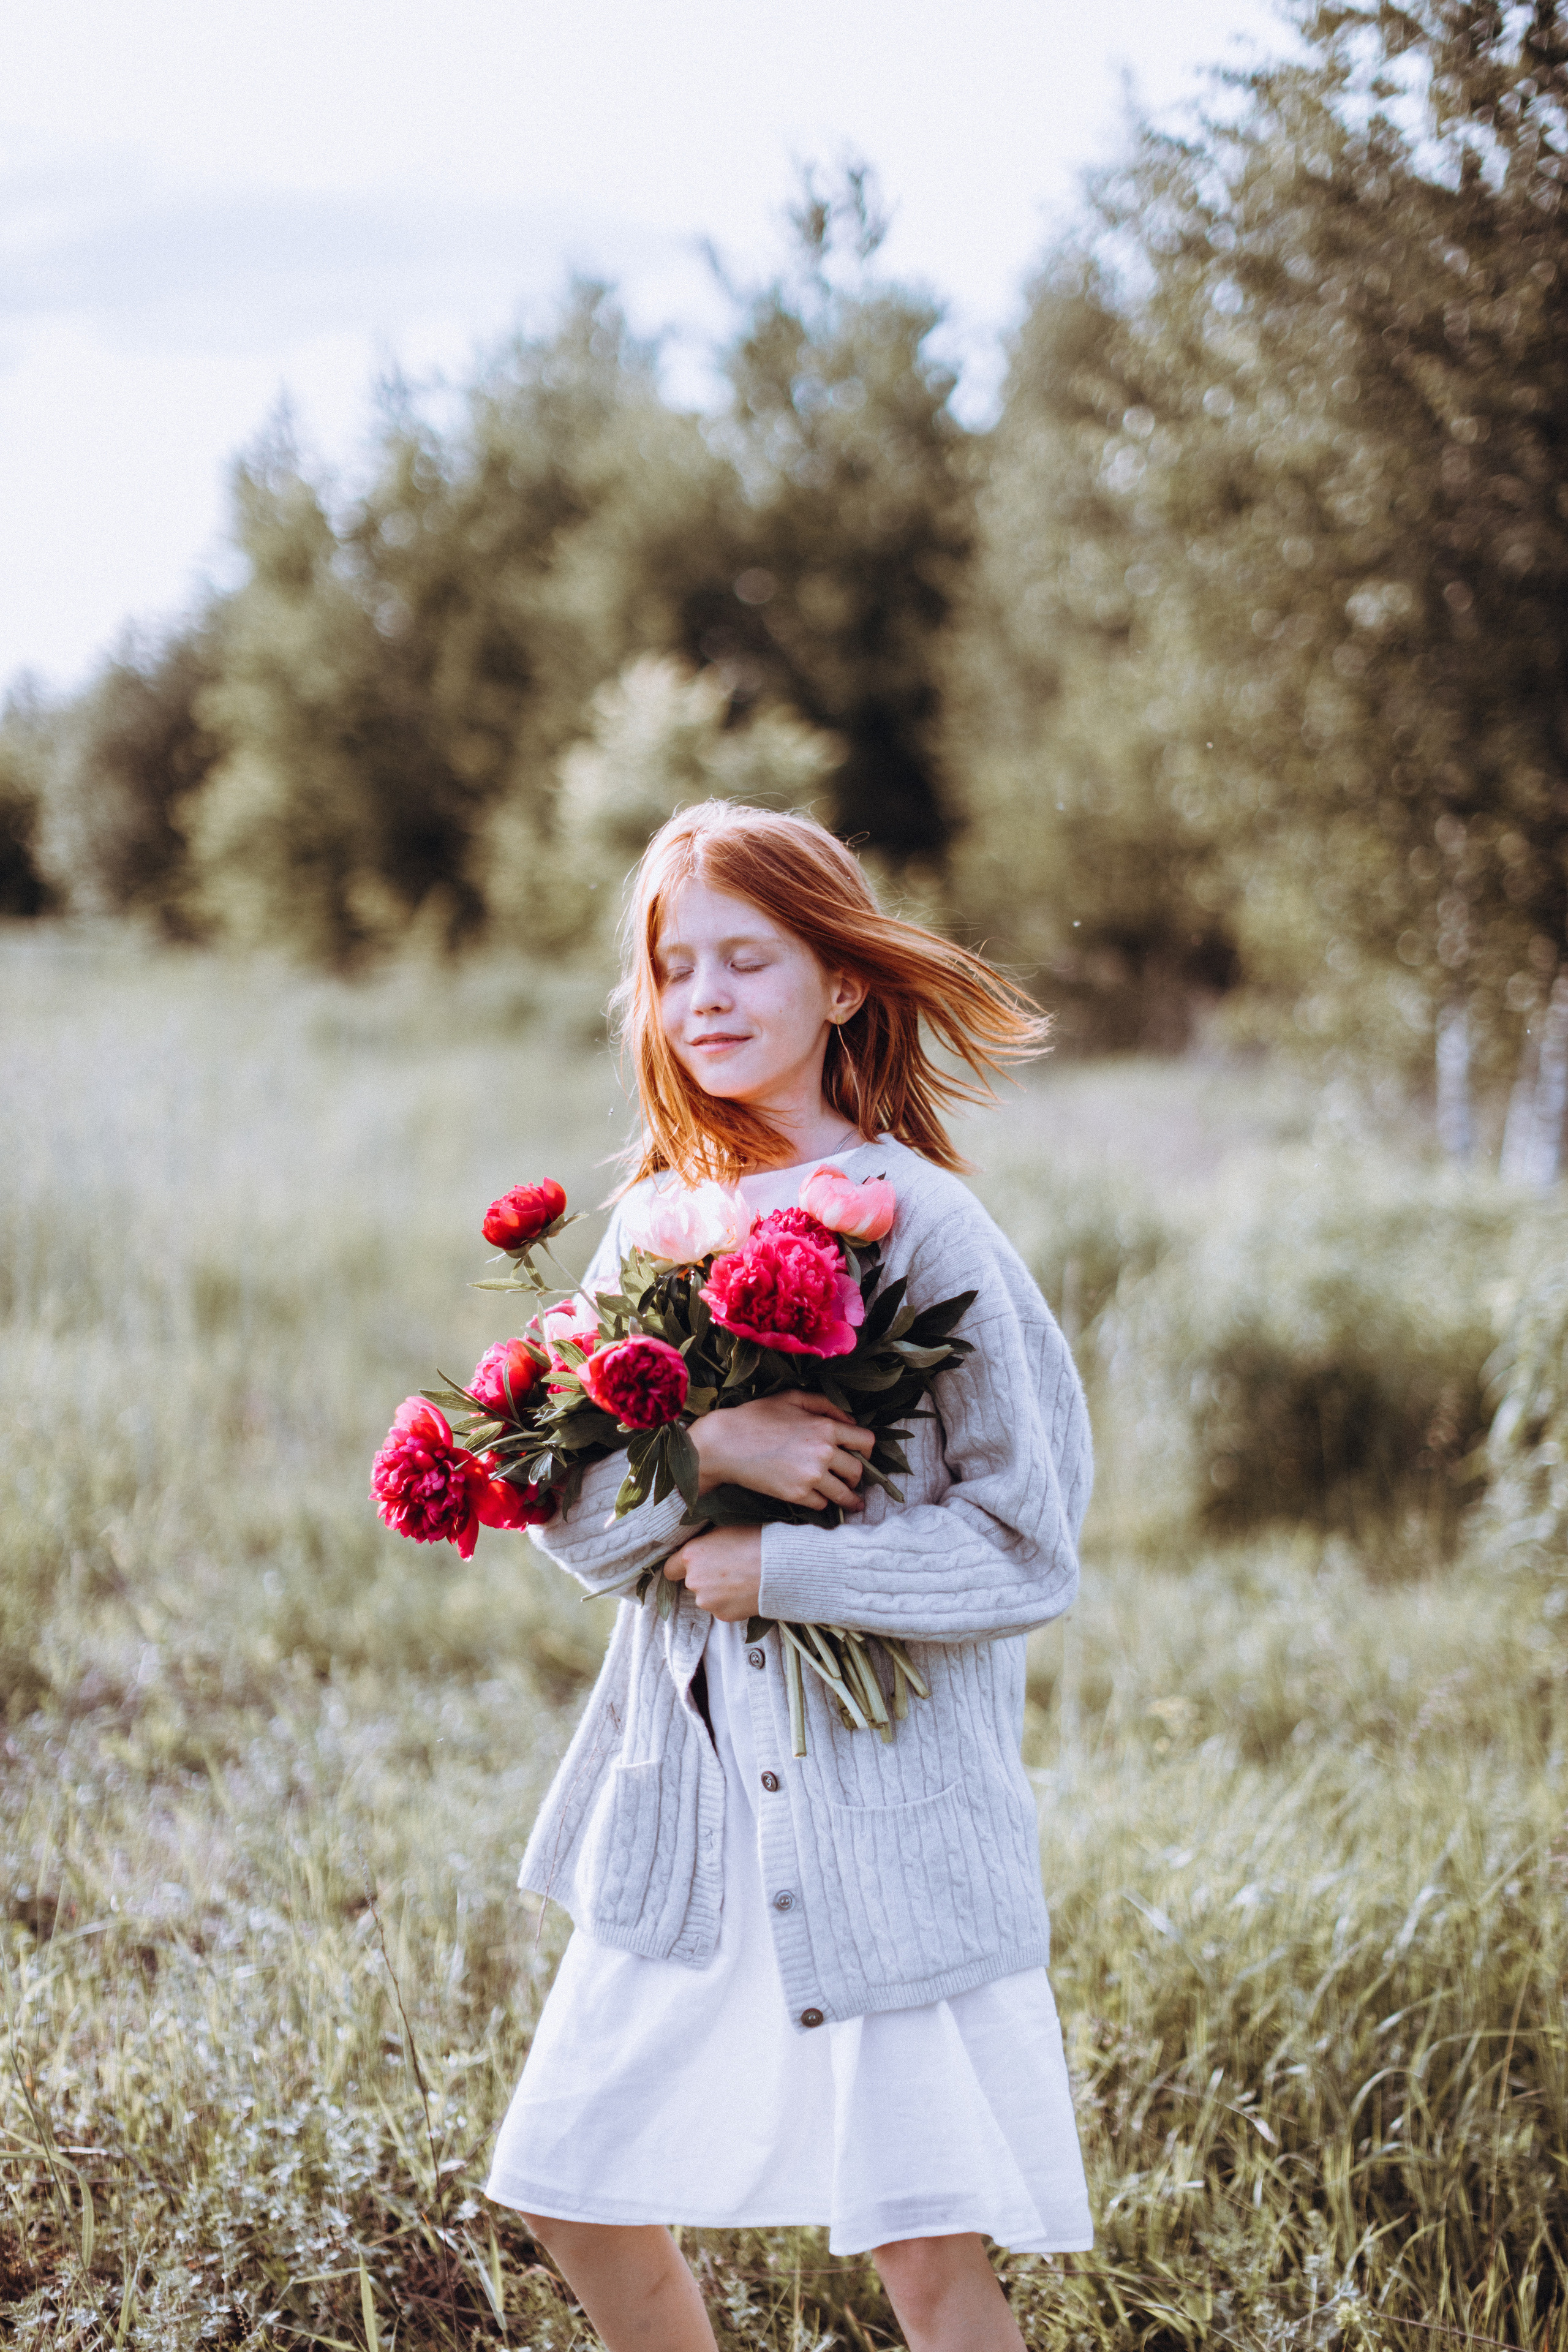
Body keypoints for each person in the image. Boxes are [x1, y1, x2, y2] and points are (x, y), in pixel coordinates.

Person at [486, 801, 1093, 2352]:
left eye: (747, 958)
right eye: (674, 964)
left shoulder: (928, 1228)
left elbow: (1025, 1545)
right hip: (685, 1812)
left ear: (840, 982)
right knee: (570, 2178)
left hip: (878, 1821)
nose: (704, 997)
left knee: (923, 2252)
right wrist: (725, 1444)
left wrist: (784, 1570)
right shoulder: (650, 1231)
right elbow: (578, 1520)